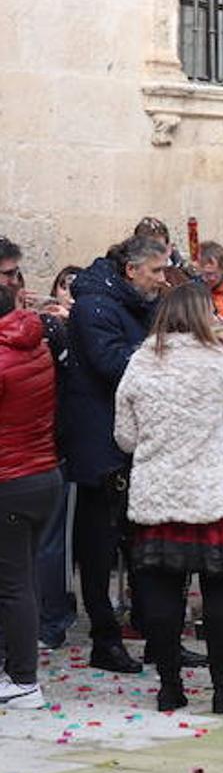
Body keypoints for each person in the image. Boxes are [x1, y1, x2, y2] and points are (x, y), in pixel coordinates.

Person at [113, 282, 223, 713]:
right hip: (212, 496)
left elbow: (125, 438)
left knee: (163, 596)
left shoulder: (140, 363)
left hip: (159, 496)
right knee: (218, 593)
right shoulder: (217, 360)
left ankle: (170, 687)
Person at [66, 235, 169, 673]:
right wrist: (167, 351)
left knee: (145, 544)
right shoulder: (95, 307)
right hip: (101, 446)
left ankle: (156, 634)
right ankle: (104, 639)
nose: (163, 280)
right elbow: (113, 365)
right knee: (100, 546)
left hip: (136, 443)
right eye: (157, 271)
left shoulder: (135, 303)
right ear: (131, 270)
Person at [0, 283, 63, 709]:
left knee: (13, 585)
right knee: (22, 579)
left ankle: (23, 680)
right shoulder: (35, 345)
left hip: (10, 479)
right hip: (42, 474)